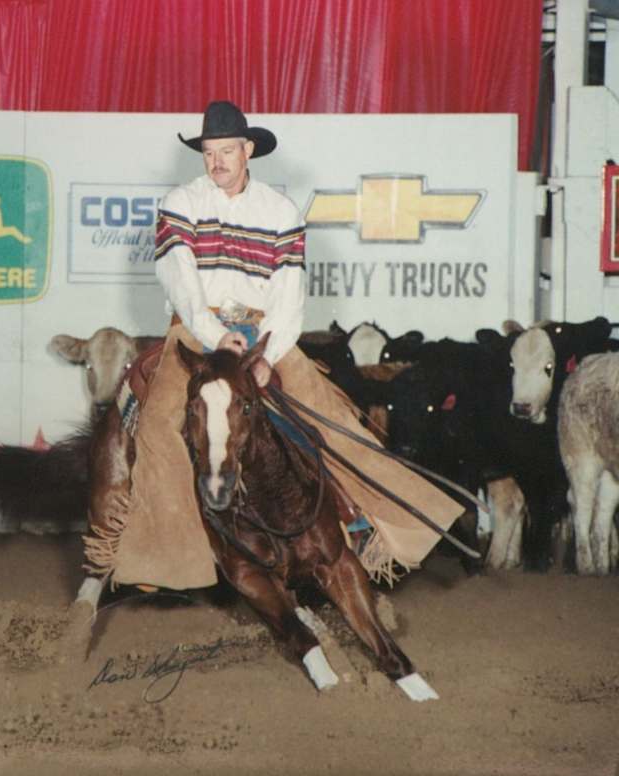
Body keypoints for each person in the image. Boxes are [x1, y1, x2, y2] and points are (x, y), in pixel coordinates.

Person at [83, 101, 464, 590]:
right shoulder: (180, 203)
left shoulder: (281, 213)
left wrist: (266, 355)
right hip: (196, 334)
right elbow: (179, 279)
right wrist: (214, 334)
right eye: (208, 152)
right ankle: (167, 553)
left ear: (248, 152)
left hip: (266, 334)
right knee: (160, 425)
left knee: (335, 418)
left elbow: (289, 294)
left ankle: (372, 526)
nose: (216, 161)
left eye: (226, 151)